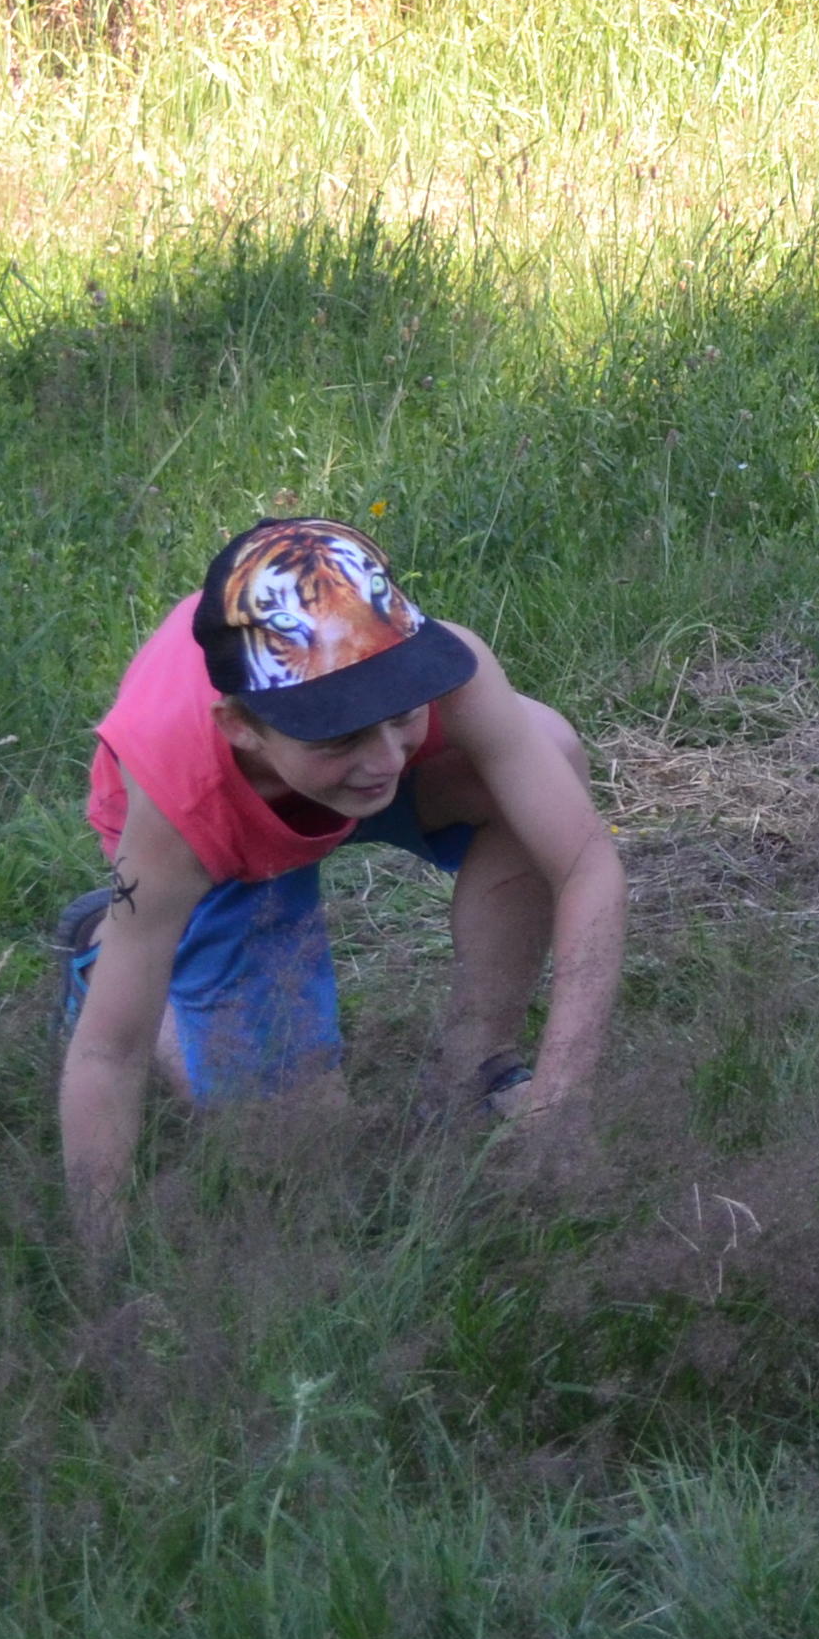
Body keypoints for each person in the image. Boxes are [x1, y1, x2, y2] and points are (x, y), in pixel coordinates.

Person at [58, 517, 623, 1251]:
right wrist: (105, 1272)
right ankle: (102, 955)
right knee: (292, 1144)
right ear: (242, 726)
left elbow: (585, 866)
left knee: (546, 748)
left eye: (403, 716)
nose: (387, 759)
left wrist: (563, 1095)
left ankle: (471, 1072)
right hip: (229, 835)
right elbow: (108, 1054)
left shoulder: (440, 674)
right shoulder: (176, 807)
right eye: (341, 734)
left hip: (298, 778)